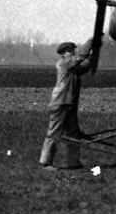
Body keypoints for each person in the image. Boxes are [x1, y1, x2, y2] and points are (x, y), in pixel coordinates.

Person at [38, 39, 93, 170]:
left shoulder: (73, 68)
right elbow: (81, 56)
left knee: (73, 135)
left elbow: (85, 65)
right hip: (60, 103)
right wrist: (93, 41)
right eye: (71, 51)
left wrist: (93, 53)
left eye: (73, 50)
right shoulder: (64, 63)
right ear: (64, 54)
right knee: (54, 133)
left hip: (69, 104)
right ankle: (46, 162)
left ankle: (74, 163)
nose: (73, 53)